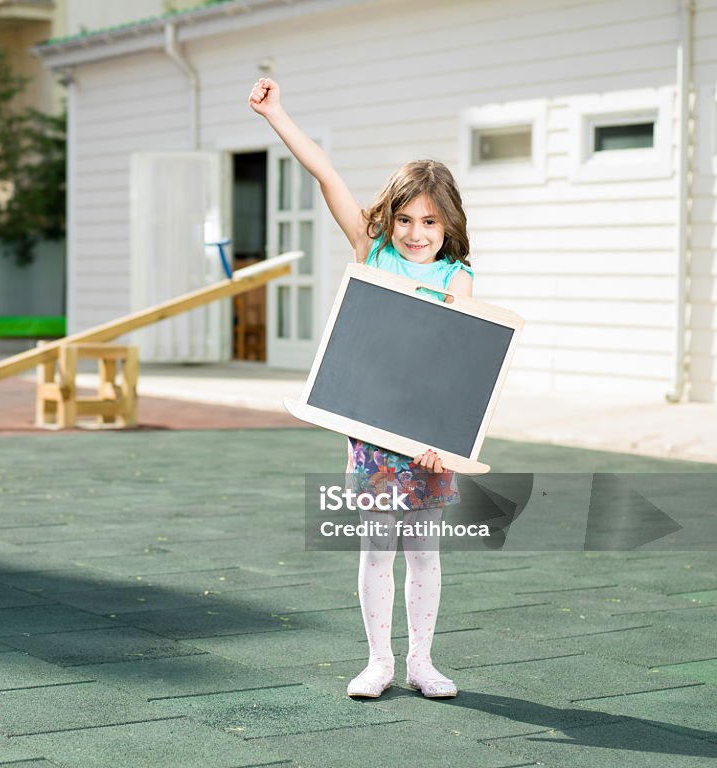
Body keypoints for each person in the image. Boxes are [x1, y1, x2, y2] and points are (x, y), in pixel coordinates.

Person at [249, 77, 473, 699]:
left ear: (447, 222)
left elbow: (458, 363)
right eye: (404, 218)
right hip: (373, 431)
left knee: (423, 552)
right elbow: (326, 176)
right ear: (389, 218)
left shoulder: (458, 278)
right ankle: (379, 663)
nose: (414, 231)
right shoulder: (370, 253)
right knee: (377, 549)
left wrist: (444, 439)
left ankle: (423, 664)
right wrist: (277, 114)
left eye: (428, 220)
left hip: (428, 437)